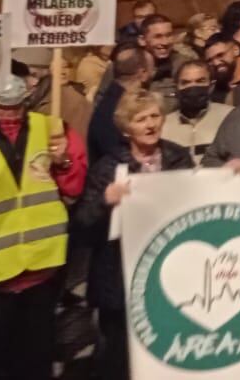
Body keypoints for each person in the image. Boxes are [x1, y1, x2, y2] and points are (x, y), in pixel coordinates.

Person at [0, 74, 86, 380]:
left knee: (34, 363)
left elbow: (74, 188)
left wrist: (63, 163)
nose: (11, 114)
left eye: (17, 106)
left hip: (42, 268)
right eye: (2, 107)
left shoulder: (53, 130)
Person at [75, 89, 192, 378]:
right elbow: (82, 224)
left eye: (155, 116)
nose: (150, 124)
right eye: (141, 119)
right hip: (120, 278)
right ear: (127, 128)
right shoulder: (109, 166)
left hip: (172, 273)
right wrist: (105, 200)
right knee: (119, 358)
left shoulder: (178, 157)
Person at [160, 56, 231, 163]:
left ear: (211, 86)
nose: (193, 87)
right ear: (176, 88)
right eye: (185, 82)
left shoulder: (229, 117)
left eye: (200, 81)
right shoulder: (163, 125)